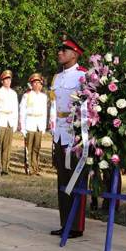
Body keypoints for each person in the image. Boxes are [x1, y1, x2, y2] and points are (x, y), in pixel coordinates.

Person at [49, 34, 86, 239]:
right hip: (61, 133)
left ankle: (76, 225)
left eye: (64, 50)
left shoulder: (83, 75)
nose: (60, 53)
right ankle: (65, 222)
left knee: (76, 179)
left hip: (75, 133)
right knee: (62, 180)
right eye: (60, 49)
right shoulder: (58, 77)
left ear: (74, 54)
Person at [0, 70, 19, 175]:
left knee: (7, 147)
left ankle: (5, 168)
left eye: (9, 79)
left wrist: (15, 123)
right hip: (1, 121)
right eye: (6, 79)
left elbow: (16, 109)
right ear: (2, 81)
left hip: (10, 121)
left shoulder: (13, 93)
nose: (8, 81)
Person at [19, 73, 48, 175]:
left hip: (39, 124)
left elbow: (45, 112)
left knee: (37, 147)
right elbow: (22, 111)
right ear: (32, 84)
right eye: (35, 83)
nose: (37, 85)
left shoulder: (44, 97)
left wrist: (44, 127)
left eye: (39, 83)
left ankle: (35, 167)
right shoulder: (26, 96)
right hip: (30, 123)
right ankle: (28, 168)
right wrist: (22, 127)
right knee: (29, 147)